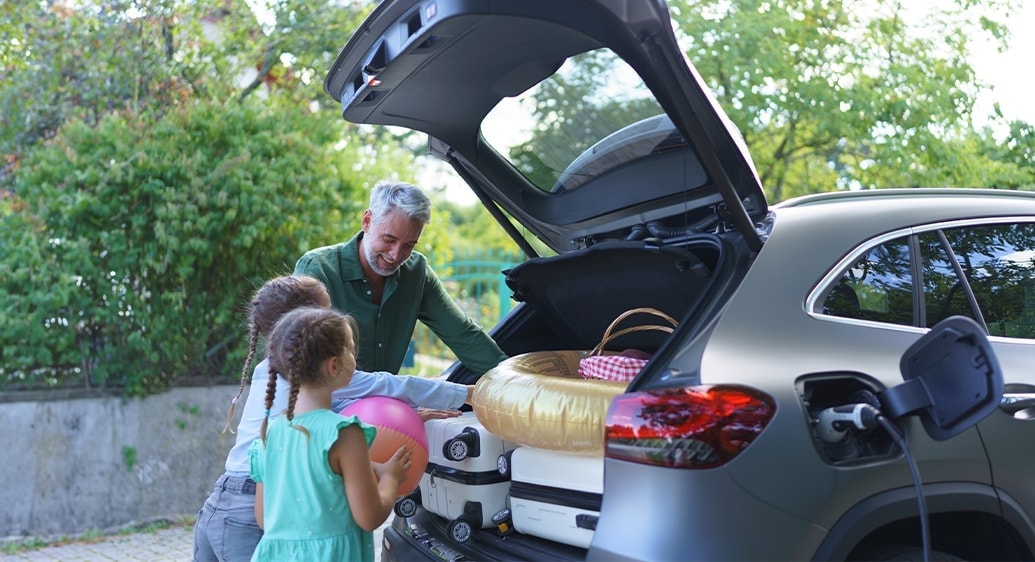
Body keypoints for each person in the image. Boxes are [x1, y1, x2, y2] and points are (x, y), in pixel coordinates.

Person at [193, 275, 473, 562]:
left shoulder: (273, 405)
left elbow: (311, 434)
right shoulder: (343, 428)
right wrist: (389, 477)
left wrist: (407, 418)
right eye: (325, 314)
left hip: (222, 502)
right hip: (249, 517)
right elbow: (390, 386)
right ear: (331, 360)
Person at [293, 180, 508, 376]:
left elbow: (464, 336)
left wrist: (514, 380)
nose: (396, 255)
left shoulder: (417, 273)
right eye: (389, 239)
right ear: (367, 221)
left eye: (409, 245)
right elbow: (300, 360)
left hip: (382, 406)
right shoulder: (318, 269)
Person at [249, 305, 407, 561]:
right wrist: (390, 478)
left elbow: (265, 518)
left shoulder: (270, 432)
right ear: (334, 366)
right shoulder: (344, 433)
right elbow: (369, 517)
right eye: (351, 349)